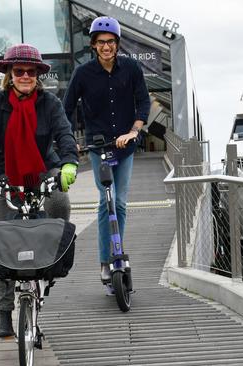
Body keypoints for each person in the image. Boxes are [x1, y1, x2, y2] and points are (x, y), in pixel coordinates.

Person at [0, 43, 78, 337]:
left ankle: (52, 261)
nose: (25, 75)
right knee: (1, 236)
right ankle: (4, 312)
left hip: (43, 166)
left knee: (59, 202)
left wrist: (69, 164)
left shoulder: (50, 104)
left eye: (31, 71)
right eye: (18, 70)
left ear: (38, 75)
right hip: (5, 169)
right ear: (9, 73)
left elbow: (64, 135)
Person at [63, 16, 151, 288]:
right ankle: (105, 260)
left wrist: (134, 131)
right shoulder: (83, 74)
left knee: (121, 203)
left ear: (117, 44)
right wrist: (69, 140)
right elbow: (64, 110)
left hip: (125, 148)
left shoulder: (132, 69)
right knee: (105, 202)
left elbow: (143, 102)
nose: (106, 47)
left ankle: (116, 254)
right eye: (101, 42)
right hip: (98, 147)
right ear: (93, 45)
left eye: (110, 42)